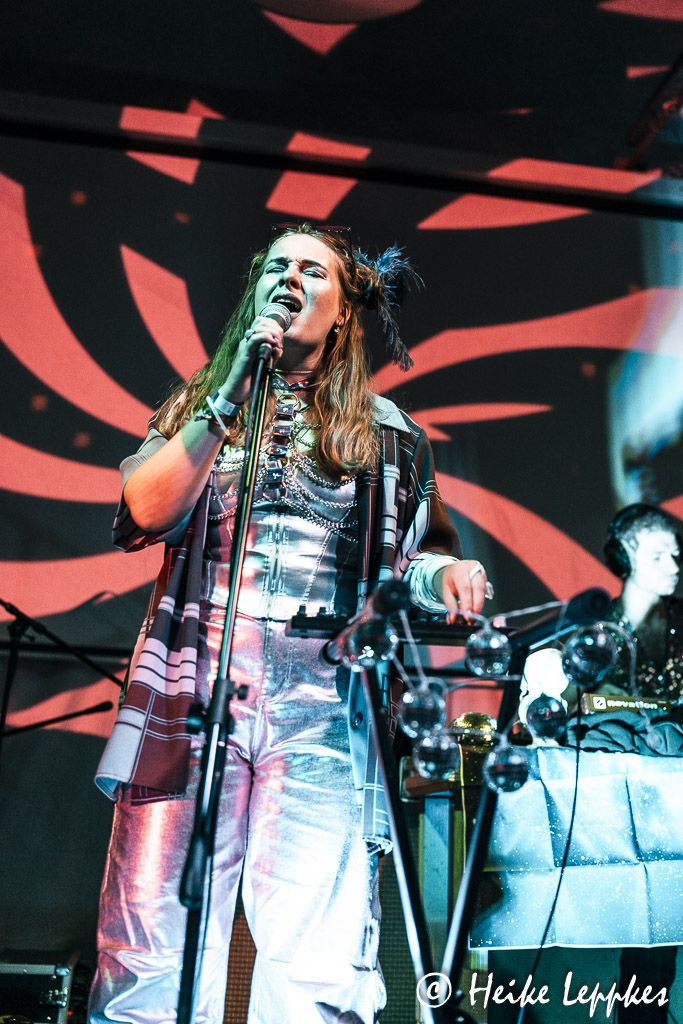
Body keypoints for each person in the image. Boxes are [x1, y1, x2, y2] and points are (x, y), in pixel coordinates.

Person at [88, 224, 491, 1024]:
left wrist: (444, 574)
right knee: (152, 930)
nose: (291, 278)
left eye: (312, 269)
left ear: (341, 311)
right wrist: (227, 395)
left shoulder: (389, 432)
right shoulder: (201, 405)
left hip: (327, 701)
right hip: (195, 688)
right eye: (276, 266)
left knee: (319, 948)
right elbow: (144, 512)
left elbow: (414, 557)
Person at [601, 503, 682, 1024]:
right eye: (657, 556)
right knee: (647, 943)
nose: (674, 566)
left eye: (676, 554)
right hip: (626, 806)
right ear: (624, 559)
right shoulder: (598, 633)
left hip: (676, 800)